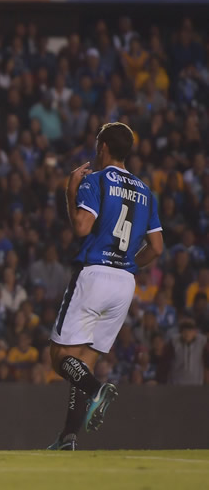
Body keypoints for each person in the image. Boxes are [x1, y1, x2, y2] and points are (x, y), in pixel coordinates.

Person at [48, 122, 164, 451]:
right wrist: (127, 264)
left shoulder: (96, 181)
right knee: (84, 360)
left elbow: (83, 227)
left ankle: (98, 390)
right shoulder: (145, 191)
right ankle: (68, 438)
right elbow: (156, 248)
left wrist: (71, 191)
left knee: (60, 358)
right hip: (124, 283)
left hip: (95, 273)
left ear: (103, 148)